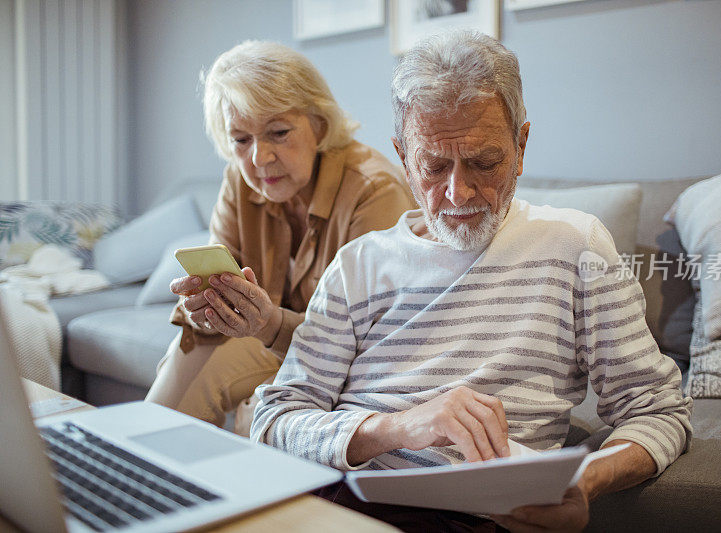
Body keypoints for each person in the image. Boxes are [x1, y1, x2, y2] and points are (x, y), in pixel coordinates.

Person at [251, 31, 693, 531]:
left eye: (485, 162)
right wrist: (398, 428)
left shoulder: (577, 246)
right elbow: (274, 420)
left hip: (472, 518)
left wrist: (585, 481)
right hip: (334, 499)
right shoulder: (357, 266)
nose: (458, 192)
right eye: (434, 166)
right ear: (402, 157)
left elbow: (658, 412)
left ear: (521, 146)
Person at [145, 40, 415, 430]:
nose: (259, 158)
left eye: (279, 132)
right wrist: (204, 309)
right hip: (274, 343)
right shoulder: (240, 181)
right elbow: (214, 293)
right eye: (241, 139)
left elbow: (363, 347)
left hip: (348, 362)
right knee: (191, 352)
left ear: (319, 125)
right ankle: (135, 473)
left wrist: (267, 323)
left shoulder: (374, 193)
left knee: (260, 411)